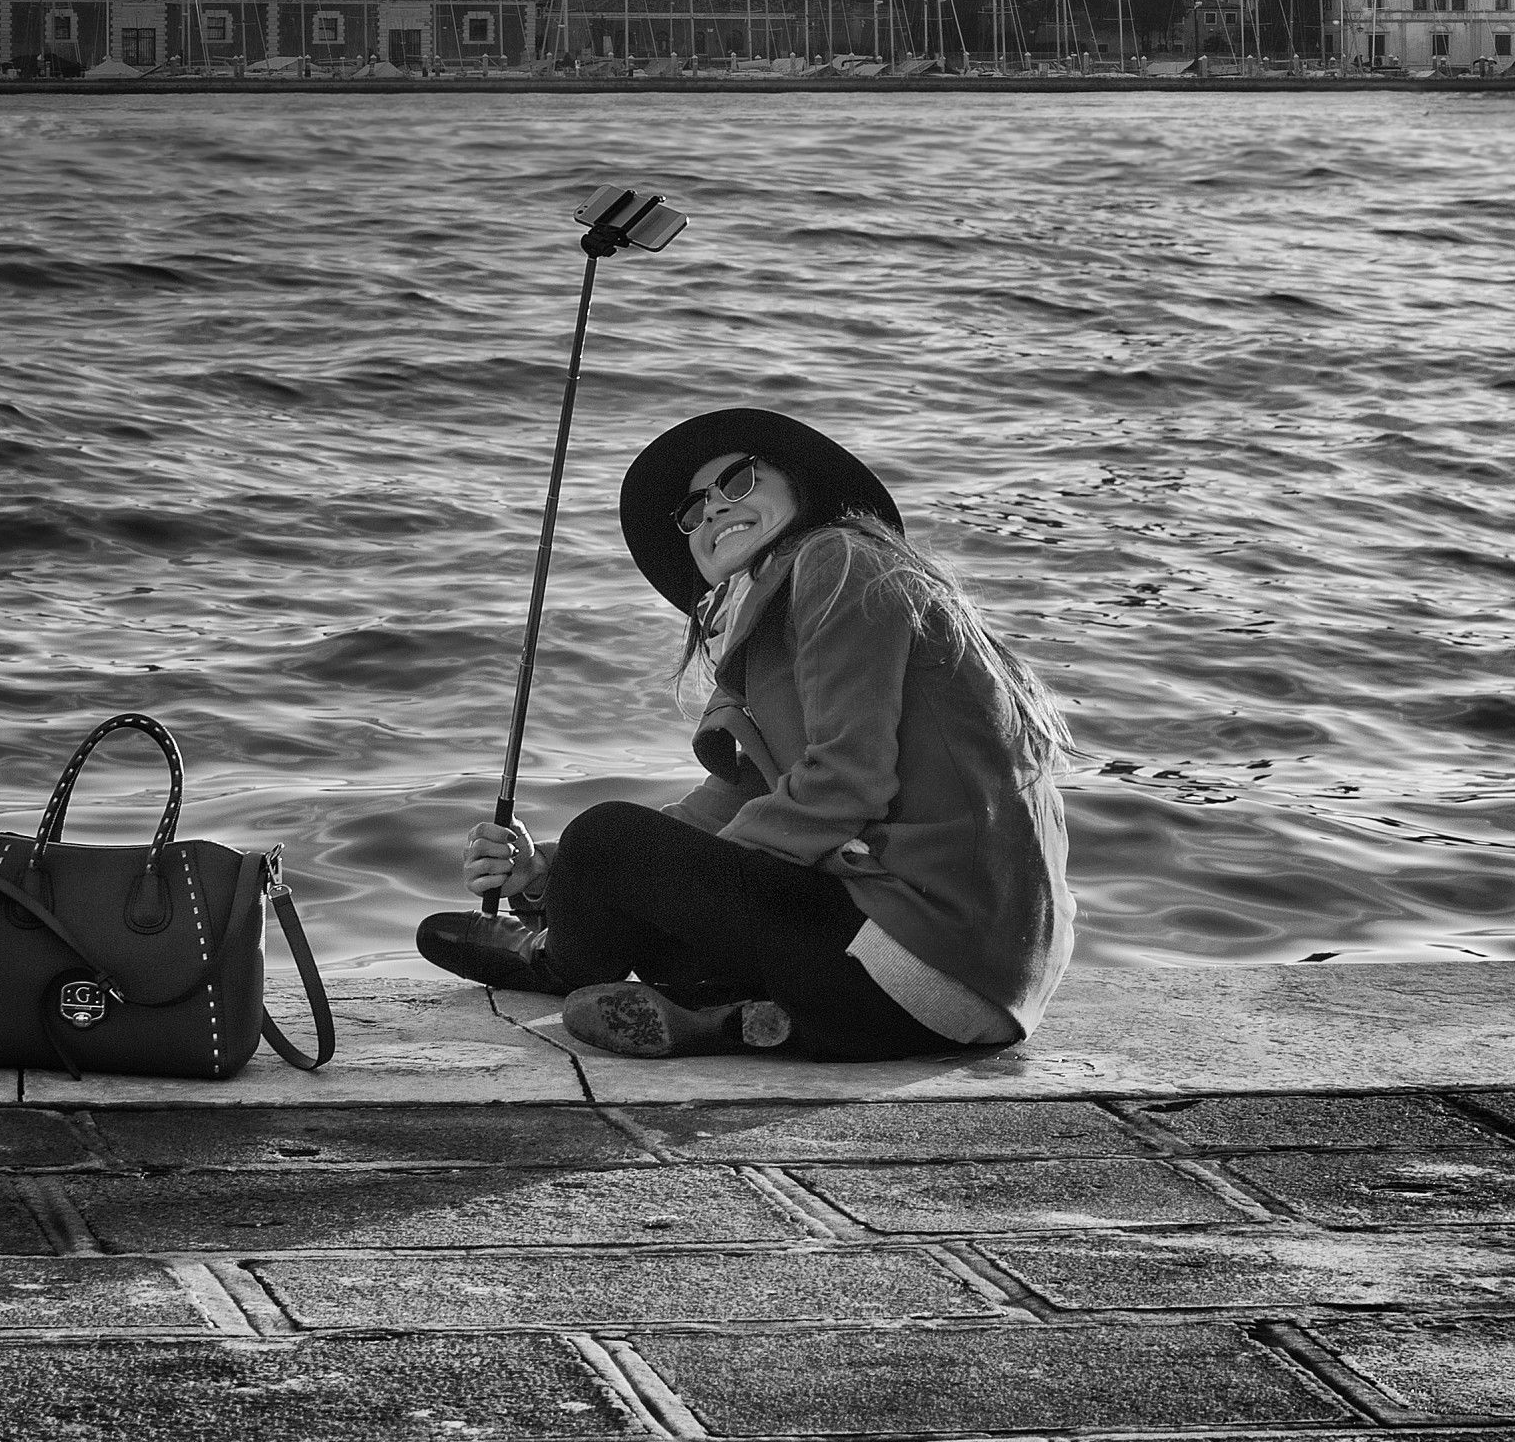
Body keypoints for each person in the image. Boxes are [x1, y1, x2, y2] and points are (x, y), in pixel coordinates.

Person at [414, 408, 1074, 1061]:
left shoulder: (837, 558)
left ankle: (556, 962)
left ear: (804, 486)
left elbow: (847, 780)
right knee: (614, 865)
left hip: (920, 962)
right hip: (957, 1002)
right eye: (692, 514)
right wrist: (546, 879)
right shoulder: (782, 635)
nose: (713, 513)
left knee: (605, 837)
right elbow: (722, 814)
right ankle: (739, 1023)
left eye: (737, 483)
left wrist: (619, 882)